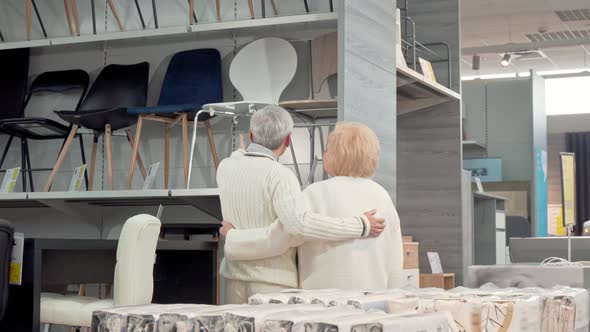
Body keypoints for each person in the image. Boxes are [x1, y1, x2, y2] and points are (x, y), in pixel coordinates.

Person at [216, 106, 386, 304]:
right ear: (288, 140)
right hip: (272, 283)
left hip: (232, 278)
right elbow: (298, 226)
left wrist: (233, 237)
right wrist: (361, 225)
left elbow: (237, 157)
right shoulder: (281, 175)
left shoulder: (226, 167)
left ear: (252, 134)